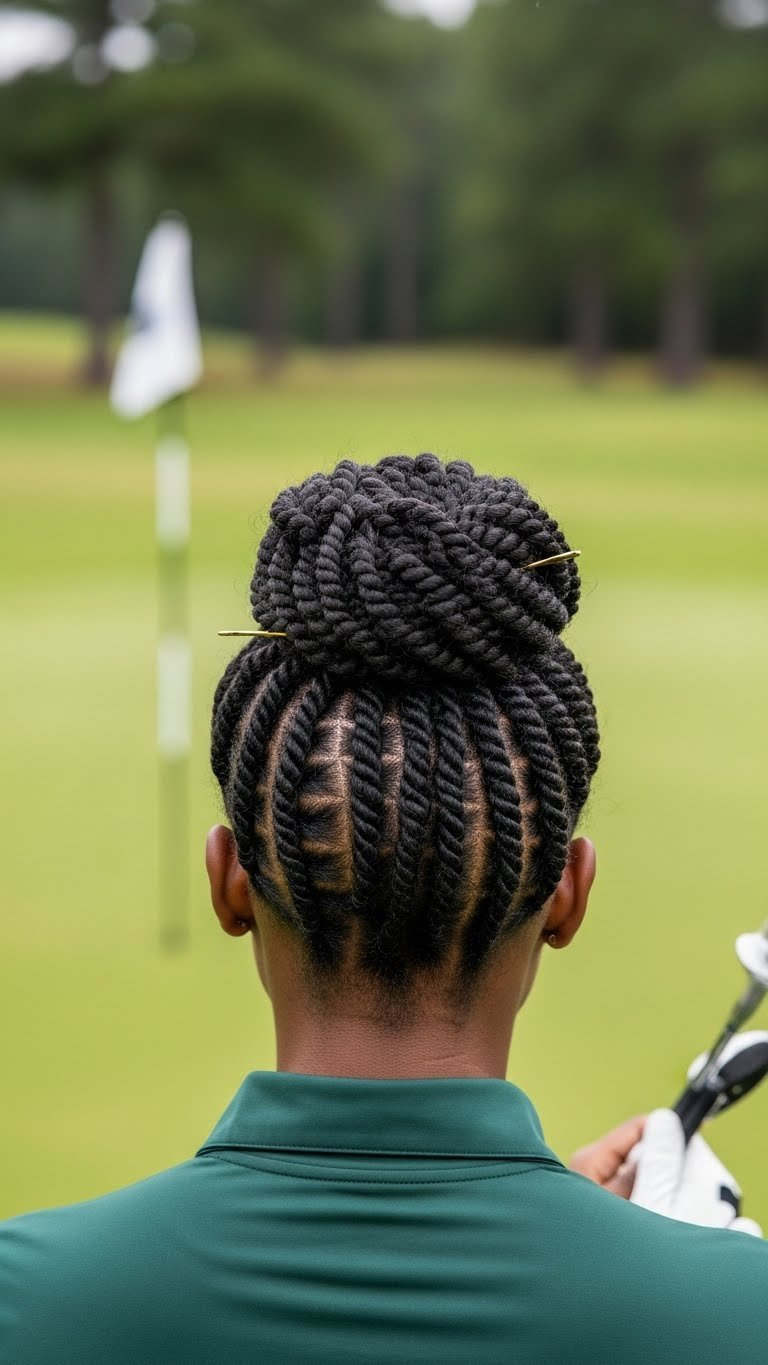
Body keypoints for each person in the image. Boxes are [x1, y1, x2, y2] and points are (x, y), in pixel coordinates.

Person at [1, 453, 766, 1364]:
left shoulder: (25, 1293)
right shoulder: (738, 1313)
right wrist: (683, 1274)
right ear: (569, 895)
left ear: (228, 882)